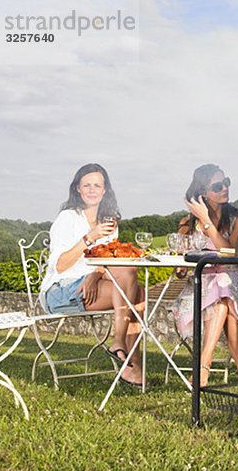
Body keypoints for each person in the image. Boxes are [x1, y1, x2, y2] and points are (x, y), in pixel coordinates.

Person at [39, 163, 146, 387]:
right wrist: (89, 237)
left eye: (97, 185)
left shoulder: (108, 221)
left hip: (93, 284)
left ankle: (122, 350)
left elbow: (108, 261)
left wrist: (95, 275)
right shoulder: (67, 219)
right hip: (61, 290)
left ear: (105, 190)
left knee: (133, 280)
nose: (91, 190)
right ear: (77, 188)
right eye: (86, 185)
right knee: (135, 294)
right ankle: (129, 363)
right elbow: (60, 266)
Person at [171, 164, 238, 387]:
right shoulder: (187, 224)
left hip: (232, 284)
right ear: (203, 194)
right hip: (199, 290)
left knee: (224, 294)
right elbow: (180, 270)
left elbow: (228, 251)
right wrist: (181, 268)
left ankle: (203, 366)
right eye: (217, 186)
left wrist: (207, 223)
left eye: (226, 182)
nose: (224, 189)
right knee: (222, 297)